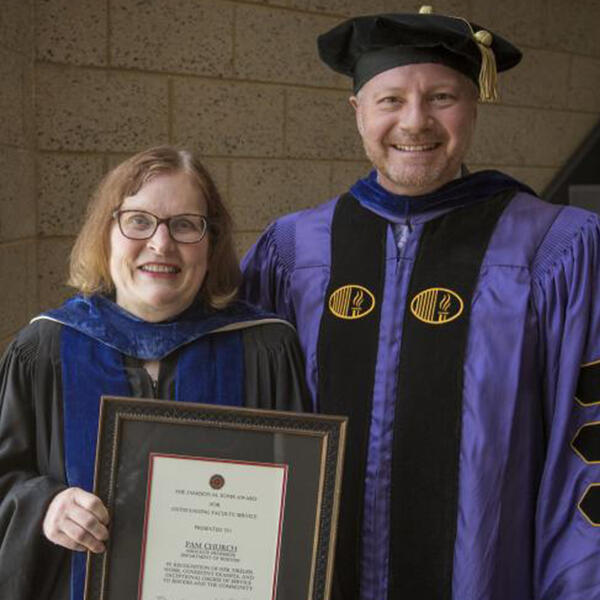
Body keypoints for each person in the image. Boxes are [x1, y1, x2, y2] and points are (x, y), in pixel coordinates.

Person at [241, 6, 600, 600]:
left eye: (441, 97)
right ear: (356, 112)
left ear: (474, 107)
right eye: (390, 100)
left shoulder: (556, 249)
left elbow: (586, 441)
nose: (415, 121)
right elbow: (239, 417)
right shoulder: (292, 250)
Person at [0, 146, 309, 599]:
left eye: (185, 225)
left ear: (212, 241)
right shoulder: (44, 350)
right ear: (106, 233)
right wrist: (45, 505)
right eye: (139, 220)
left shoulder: (264, 349)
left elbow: (304, 503)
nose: (161, 244)